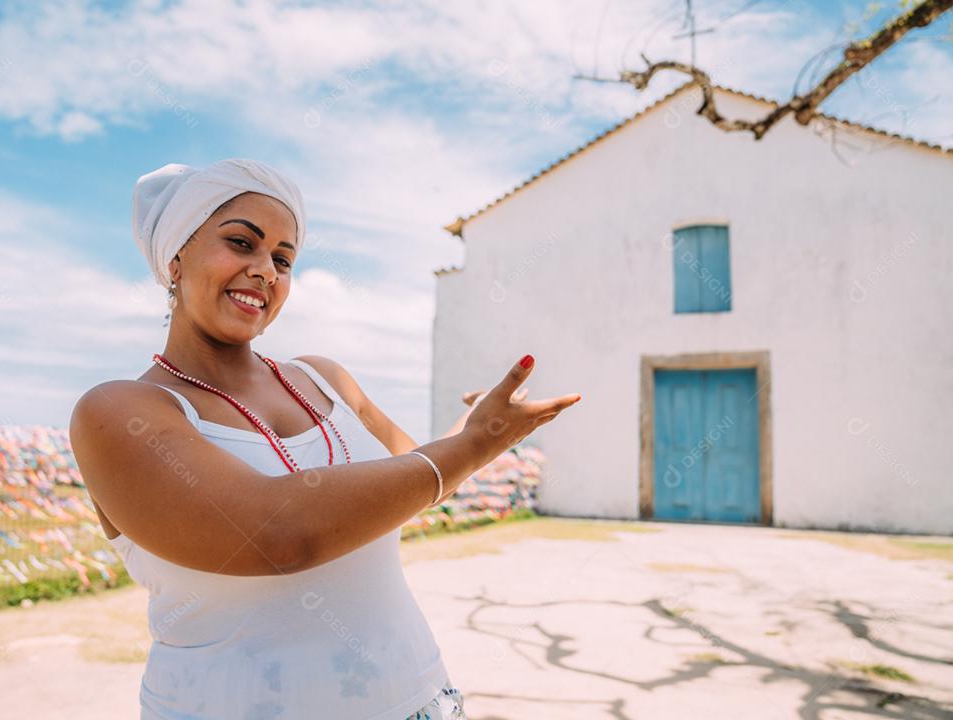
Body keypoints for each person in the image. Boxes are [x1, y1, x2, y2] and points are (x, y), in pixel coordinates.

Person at [68, 158, 582, 720]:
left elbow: (418, 474)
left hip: (418, 699)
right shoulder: (121, 411)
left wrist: (480, 426)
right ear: (175, 258)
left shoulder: (324, 379)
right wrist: (474, 445)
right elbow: (276, 535)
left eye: (284, 259)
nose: (267, 270)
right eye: (242, 243)